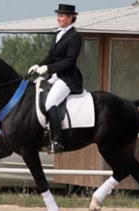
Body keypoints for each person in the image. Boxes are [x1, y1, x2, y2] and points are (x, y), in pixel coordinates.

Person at [28, 3, 83, 154]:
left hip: (67, 78)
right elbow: (51, 56)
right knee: (35, 93)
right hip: (54, 77)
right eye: (58, 15)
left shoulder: (74, 36)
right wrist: (38, 65)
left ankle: (57, 141)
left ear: (70, 18)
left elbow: (69, 61)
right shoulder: (57, 34)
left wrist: (49, 68)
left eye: (62, 15)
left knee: (51, 102)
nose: (58, 18)